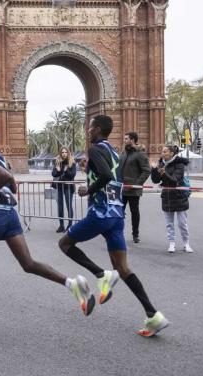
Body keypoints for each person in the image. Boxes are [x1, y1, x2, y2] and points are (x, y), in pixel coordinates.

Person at [0, 128, 93, 318]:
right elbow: (10, 182)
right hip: (9, 215)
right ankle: (73, 284)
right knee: (28, 264)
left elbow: (4, 177)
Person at [58, 116, 169, 336]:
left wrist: (87, 190)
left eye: (90, 127)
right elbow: (108, 173)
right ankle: (153, 315)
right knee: (123, 268)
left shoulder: (96, 149)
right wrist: (89, 169)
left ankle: (101, 275)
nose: (88, 131)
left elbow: (106, 175)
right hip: (117, 214)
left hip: (101, 212)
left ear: (97, 129)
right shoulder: (112, 151)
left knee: (64, 244)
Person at [151, 145, 193, 253]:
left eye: (165, 151)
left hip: (179, 197)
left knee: (182, 223)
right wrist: (154, 169)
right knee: (169, 224)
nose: (162, 153)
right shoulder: (161, 164)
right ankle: (172, 243)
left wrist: (163, 173)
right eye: (162, 151)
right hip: (167, 197)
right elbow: (155, 181)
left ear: (171, 153)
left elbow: (174, 181)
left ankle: (186, 243)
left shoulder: (179, 164)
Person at [119, 132, 151, 243]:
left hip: (133, 189)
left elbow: (147, 170)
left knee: (134, 212)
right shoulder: (123, 153)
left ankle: (135, 234)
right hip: (122, 188)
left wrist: (137, 183)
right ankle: (119, 233)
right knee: (119, 212)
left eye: (126, 138)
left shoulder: (140, 154)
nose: (124, 140)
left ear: (132, 140)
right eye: (124, 138)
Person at [52, 147, 77, 233]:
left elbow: (72, 175)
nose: (64, 154)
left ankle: (70, 225)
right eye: (62, 152)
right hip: (59, 187)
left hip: (68, 187)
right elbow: (54, 174)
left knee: (69, 205)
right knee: (60, 206)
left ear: (68, 153)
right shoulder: (58, 162)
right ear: (60, 153)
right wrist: (58, 170)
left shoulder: (72, 162)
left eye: (66, 152)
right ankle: (61, 225)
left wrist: (66, 171)